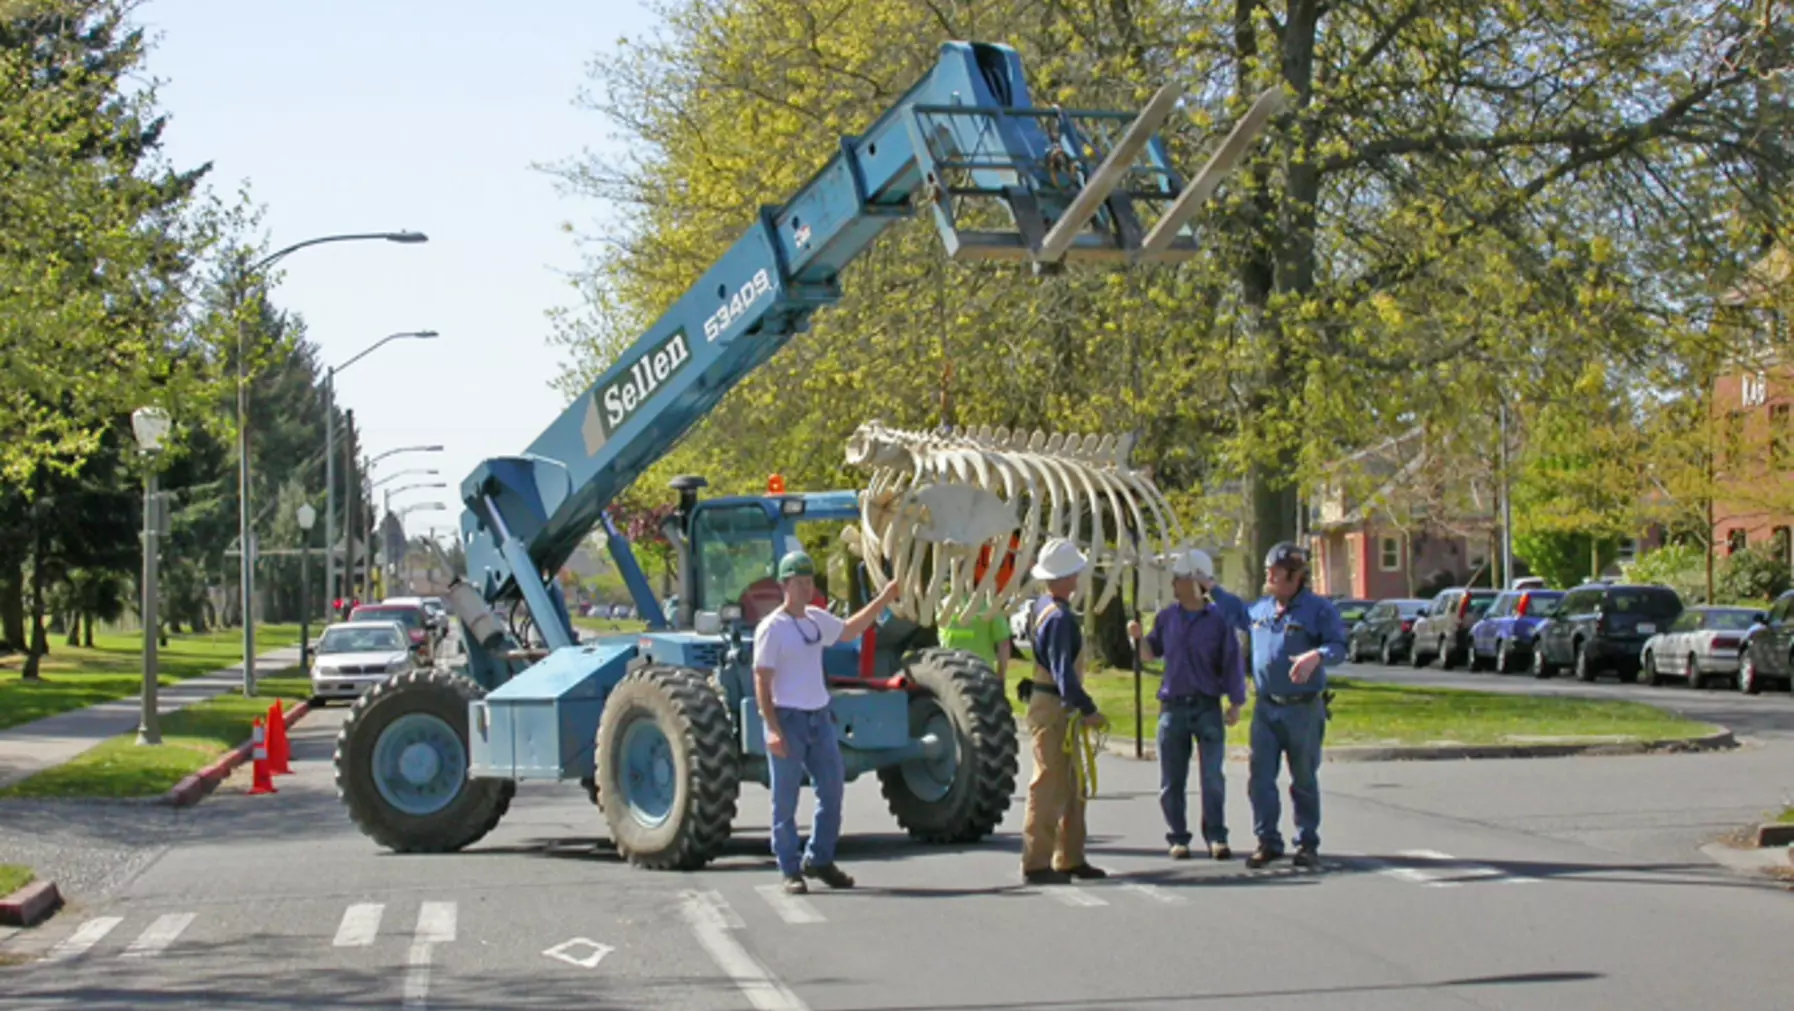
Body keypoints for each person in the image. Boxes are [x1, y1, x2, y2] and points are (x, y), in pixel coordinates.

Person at [754, 549, 900, 894]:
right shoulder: (772, 628)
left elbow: (849, 631)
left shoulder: (816, 619)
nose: (806, 588)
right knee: (785, 800)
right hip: (787, 717)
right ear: (784, 585)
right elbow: (761, 680)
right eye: (799, 582)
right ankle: (790, 868)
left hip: (819, 717)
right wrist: (773, 727)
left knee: (832, 791)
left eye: (809, 582)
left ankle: (820, 858)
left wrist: (883, 599)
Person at [1127, 549, 1247, 861]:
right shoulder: (1167, 618)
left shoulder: (1219, 621)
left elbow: (1232, 662)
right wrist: (1137, 638)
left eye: (1179, 579)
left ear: (1196, 583)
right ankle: (1178, 837)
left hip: (1207, 707)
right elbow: (1149, 654)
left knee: (1212, 779)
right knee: (1171, 781)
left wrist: (1235, 702)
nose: (1174, 585)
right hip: (1173, 708)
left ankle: (1217, 837)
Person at [1244, 541, 1347, 869]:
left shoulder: (1318, 610)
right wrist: (1209, 587)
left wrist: (1316, 656)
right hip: (1265, 707)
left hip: (1302, 708)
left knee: (1303, 777)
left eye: (1274, 572)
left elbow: (1339, 647)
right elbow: (1232, 614)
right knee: (1260, 778)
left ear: (1294, 576)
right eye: (1267, 572)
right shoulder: (1259, 609)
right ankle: (1267, 841)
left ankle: (1306, 843)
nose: (1268, 577)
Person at [1017, 537, 1109, 885]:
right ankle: (1037, 861)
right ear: (1068, 576)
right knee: (1048, 783)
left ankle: (1070, 856)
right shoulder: (1059, 619)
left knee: (1072, 785)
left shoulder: (1043, 608)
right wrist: (1087, 709)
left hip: (1053, 704)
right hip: (1054, 705)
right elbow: (1063, 675)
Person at [937, 537, 1018, 680]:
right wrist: (1001, 676)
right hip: (981, 675)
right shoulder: (988, 604)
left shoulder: (943, 605)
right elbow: (1004, 644)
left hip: (949, 675)